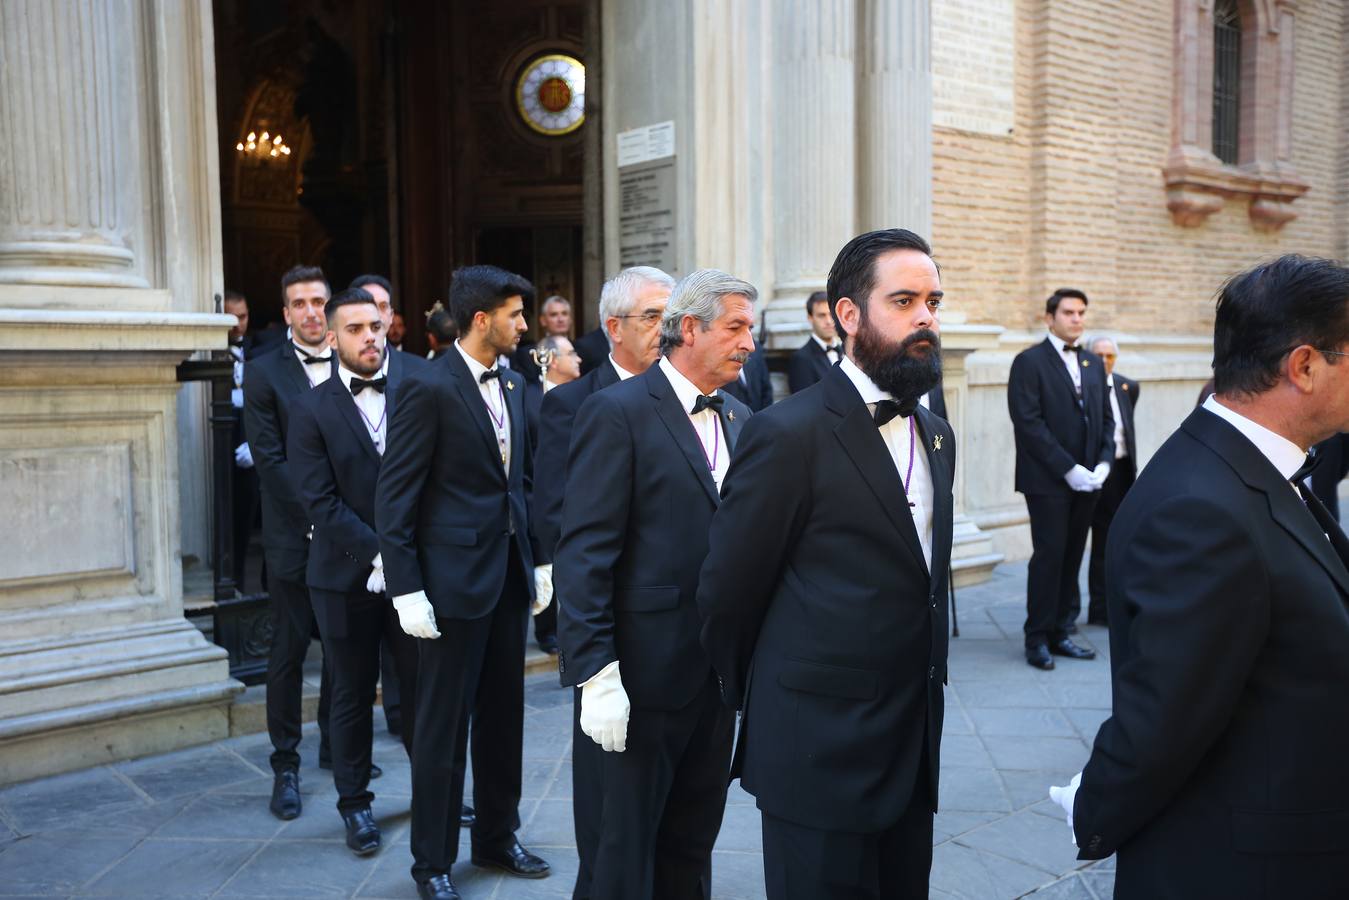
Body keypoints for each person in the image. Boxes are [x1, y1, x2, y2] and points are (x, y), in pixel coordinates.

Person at [1049, 255, 1349, 898]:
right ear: (1304, 366)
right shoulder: (1200, 509)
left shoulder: (1259, 469)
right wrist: (1092, 812)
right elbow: (1163, 718)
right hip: (1248, 868)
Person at [698, 229, 954, 900]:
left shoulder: (935, 431)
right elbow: (728, 592)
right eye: (903, 300)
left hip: (911, 742)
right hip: (815, 751)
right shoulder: (785, 433)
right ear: (848, 314)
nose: (925, 317)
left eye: (932, 300)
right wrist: (774, 703)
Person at [555, 268, 756, 899]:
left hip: (716, 682)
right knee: (619, 855)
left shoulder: (744, 418)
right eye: (737, 327)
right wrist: (596, 675)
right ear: (689, 329)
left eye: (752, 328)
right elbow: (584, 553)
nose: (749, 342)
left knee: (691, 848)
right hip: (636, 684)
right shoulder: (615, 412)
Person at [376, 265, 551, 900]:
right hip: (448, 588)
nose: (525, 326)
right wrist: (407, 588)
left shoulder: (512, 377)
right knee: (442, 731)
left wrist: (539, 560)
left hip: (506, 578)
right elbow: (395, 497)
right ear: (482, 320)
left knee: (505, 719)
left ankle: (498, 837)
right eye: (515, 315)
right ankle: (433, 864)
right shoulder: (427, 387)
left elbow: (520, 480)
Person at [286, 288, 426, 856]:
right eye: (355, 329)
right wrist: (379, 555)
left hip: (415, 575)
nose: (369, 336)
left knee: (421, 691)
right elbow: (318, 500)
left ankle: (434, 793)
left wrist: (406, 559)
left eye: (375, 325)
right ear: (333, 337)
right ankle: (355, 806)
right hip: (342, 576)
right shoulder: (311, 408)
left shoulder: (418, 390)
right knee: (349, 693)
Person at [531, 268, 672, 684]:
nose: (665, 330)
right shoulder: (570, 404)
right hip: (617, 609)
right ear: (614, 327)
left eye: (673, 317)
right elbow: (556, 515)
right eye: (651, 317)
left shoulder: (698, 400)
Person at [242, 265, 338, 820]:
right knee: (289, 653)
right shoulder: (263, 373)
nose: (310, 311)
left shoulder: (353, 358)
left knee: (346, 653)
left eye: (317, 301)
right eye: (298, 303)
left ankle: (336, 745)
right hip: (295, 537)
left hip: (347, 536)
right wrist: (324, 515)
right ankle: (286, 765)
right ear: (285, 313)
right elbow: (271, 463)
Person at [1007, 288, 1113, 670]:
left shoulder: (1093, 363)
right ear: (1049, 318)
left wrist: (1103, 463)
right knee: (1049, 557)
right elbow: (1029, 423)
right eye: (1069, 312)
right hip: (1048, 481)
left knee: (1072, 557)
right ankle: (1036, 637)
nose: (1077, 319)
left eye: (1082, 312)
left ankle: (1061, 630)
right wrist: (1069, 469)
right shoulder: (1028, 362)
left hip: (1089, 480)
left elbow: (1105, 417)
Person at [1085, 337, 1139, 626]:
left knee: (1115, 541)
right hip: (1092, 473)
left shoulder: (1127, 386)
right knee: (1093, 543)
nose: (1105, 360)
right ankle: (1091, 608)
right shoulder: (1083, 386)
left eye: (1110, 355)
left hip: (1121, 471)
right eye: (1099, 355)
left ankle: (1108, 606)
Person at [224, 289, 259, 590]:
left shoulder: (259, 349)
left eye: (243, 317)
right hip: (220, 448)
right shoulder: (210, 350)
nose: (238, 324)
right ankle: (230, 582)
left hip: (253, 447)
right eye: (231, 317)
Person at [523, 333, 582, 449]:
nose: (579, 359)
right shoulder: (527, 399)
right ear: (554, 360)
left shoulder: (583, 394)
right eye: (572, 354)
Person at [786, 290, 841, 393]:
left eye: (831, 314)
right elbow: (803, 403)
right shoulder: (801, 358)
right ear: (810, 318)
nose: (829, 321)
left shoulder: (846, 352)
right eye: (821, 315)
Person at [514, 295, 575, 383]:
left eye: (564, 313)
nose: (560, 319)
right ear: (543, 320)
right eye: (554, 314)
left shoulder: (580, 349)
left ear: (570, 319)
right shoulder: (528, 354)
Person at [721, 344, 775, 411]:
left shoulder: (755, 349)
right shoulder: (719, 354)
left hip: (758, 416)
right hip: (731, 417)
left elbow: (766, 389)